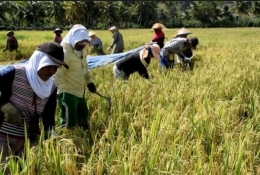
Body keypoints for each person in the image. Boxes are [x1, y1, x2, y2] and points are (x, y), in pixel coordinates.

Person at [0, 42, 68, 173]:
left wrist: (52, 134)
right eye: (49, 66)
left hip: (27, 141)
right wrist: (3, 105)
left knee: (24, 170)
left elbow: (48, 116)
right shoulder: (15, 73)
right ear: (39, 60)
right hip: (3, 137)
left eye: (56, 67)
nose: (52, 71)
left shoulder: (51, 87)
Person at [53, 24, 97, 130]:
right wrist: (51, 91)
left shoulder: (83, 51)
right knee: (69, 121)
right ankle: (67, 141)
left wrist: (89, 82)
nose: (82, 45)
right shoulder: (64, 53)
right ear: (73, 39)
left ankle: (83, 137)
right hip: (67, 91)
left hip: (80, 91)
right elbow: (57, 74)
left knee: (84, 116)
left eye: (85, 43)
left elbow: (85, 67)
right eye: (80, 43)